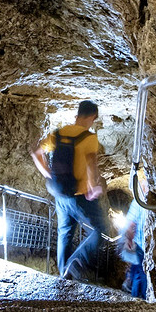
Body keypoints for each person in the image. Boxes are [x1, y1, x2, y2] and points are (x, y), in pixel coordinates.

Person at [31, 100, 111, 282]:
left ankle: (63, 276)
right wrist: (93, 187)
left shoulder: (59, 134)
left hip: (59, 195)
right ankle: (76, 261)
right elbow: (91, 163)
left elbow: (36, 154)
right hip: (79, 196)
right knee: (102, 230)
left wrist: (49, 175)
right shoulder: (89, 138)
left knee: (65, 233)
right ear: (92, 117)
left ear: (78, 114)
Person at [119, 201, 147, 299]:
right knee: (142, 274)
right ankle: (143, 298)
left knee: (139, 273)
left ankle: (136, 298)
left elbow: (130, 223)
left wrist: (129, 239)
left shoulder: (137, 200)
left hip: (140, 243)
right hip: (147, 244)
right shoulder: (145, 200)